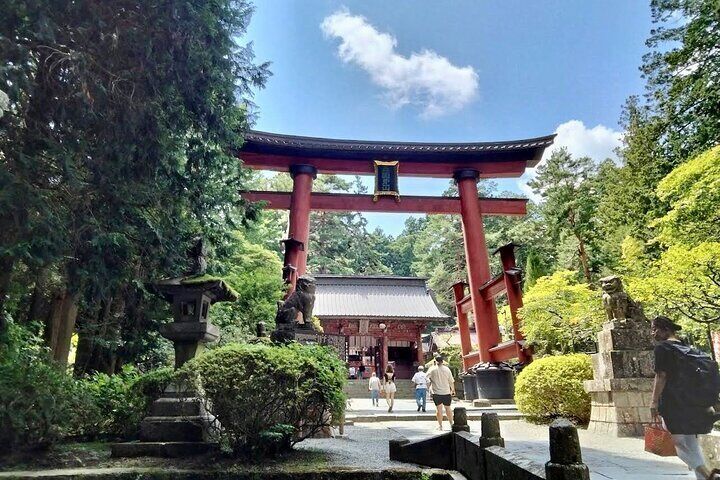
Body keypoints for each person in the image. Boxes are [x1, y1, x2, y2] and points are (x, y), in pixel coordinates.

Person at [651, 315, 720, 480]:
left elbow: (661, 376)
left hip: (674, 402)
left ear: (666, 330)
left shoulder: (662, 348)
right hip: (693, 402)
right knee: (691, 443)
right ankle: (704, 478)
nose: (652, 333)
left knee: (676, 444)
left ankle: (708, 475)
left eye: (654, 329)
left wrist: (653, 401)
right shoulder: (688, 347)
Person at [426, 355, 455, 430]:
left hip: (436, 392)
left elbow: (426, 378)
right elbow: (451, 381)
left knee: (439, 409)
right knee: (448, 408)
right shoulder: (447, 369)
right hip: (446, 391)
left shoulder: (432, 369)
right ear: (442, 361)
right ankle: (451, 424)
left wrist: (429, 385)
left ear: (435, 361)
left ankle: (440, 425)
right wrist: (453, 390)